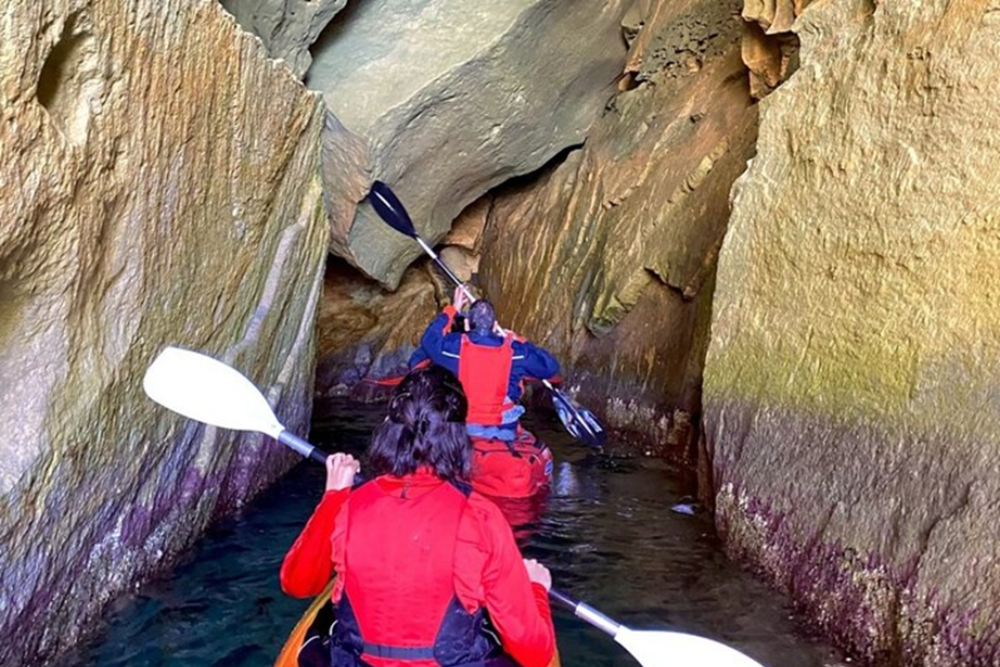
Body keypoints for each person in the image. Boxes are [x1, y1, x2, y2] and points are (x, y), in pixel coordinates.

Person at [280, 367, 556, 667]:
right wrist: (535, 589)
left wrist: (333, 495)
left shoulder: (350, 505)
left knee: (323, 631)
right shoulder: (481, 516)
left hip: (357, 662)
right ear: (458, 438)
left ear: (389, 430)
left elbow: (297, 584)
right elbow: (536, 654)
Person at [414, 288, 560, 443]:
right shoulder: (515, 351)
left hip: (464, 426)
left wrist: (452, 310)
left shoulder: (454, 347)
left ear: (467, 325)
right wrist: (520, 340)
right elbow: (550, 367)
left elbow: (429, 340)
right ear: (495, 326)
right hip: (504, 426)